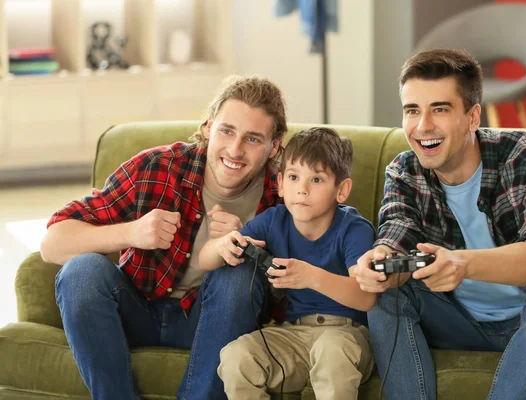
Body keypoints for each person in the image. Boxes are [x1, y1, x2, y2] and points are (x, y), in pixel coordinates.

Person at [354, 49, 526, 400]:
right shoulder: (404, 170)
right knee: (383, 294)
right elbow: (396, 234)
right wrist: (379, 263)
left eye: (439, 109)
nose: (423, 127)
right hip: (458, 320)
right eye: (412, 111)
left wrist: (463, 263)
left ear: (472, 116)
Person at [40, 75, 288, 400]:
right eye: (226, 131)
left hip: (212, 322)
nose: (235, 150)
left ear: (275, 146)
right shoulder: (159, 168)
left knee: (240, 272)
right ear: (209, 126)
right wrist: (131, 232)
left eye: (253, 139)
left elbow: (300, 293)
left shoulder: (285, 196)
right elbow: (52, 243)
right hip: (137, 309)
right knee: (79, 272)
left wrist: (247, 248)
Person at [199, 127, 376, 399]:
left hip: (346, 335)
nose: (302, 190)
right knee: (235, 357)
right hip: (293, 334)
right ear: (281, 183)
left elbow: (366, 298)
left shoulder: (354, 229)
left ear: (341, 190)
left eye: (316, 180)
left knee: (331, 351)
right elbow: (205, 260)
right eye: (294, 177)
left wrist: (312, 277)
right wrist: (223, 245)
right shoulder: (273, 221)